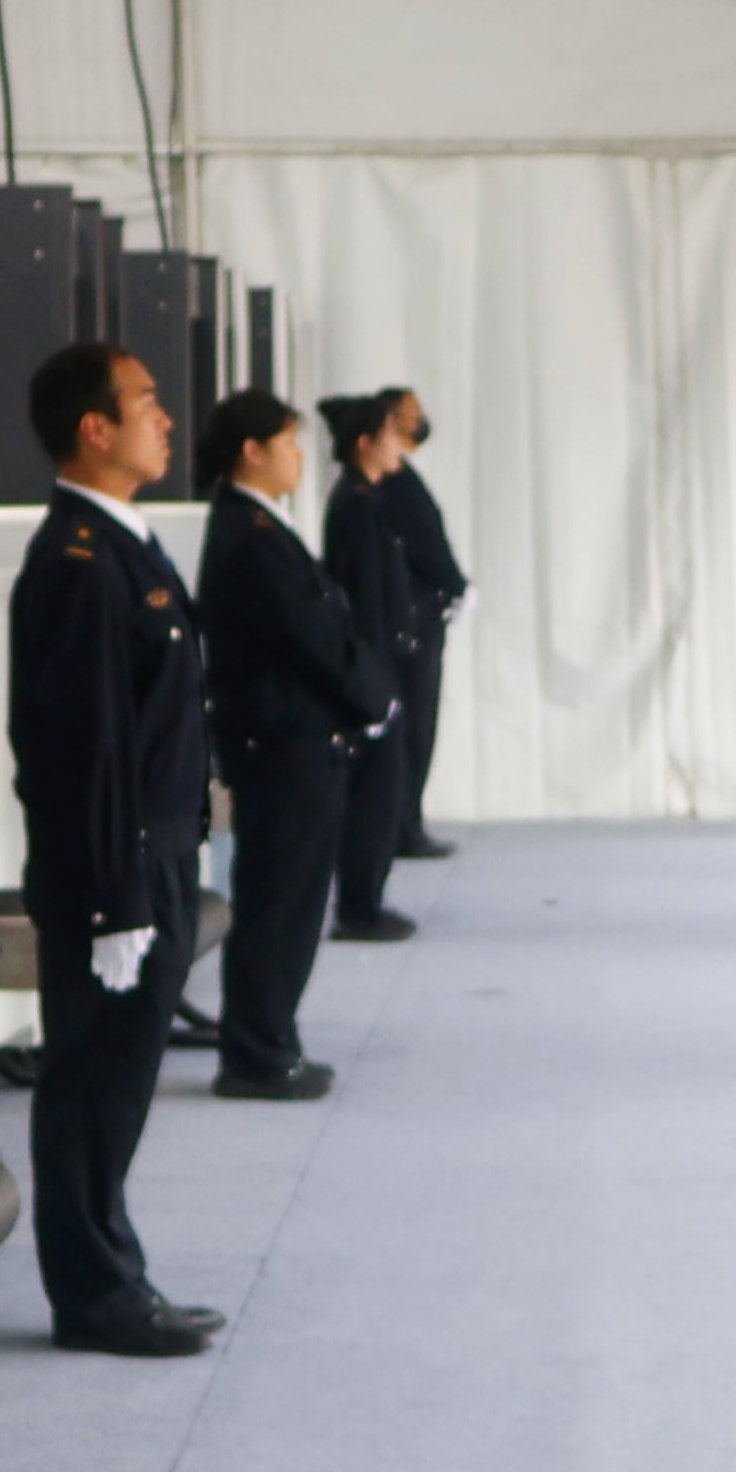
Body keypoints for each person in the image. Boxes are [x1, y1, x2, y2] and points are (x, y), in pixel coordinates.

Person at [9, 341, 228, 1359]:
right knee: (94, 1085)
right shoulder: (79, 562)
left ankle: (114, 1272)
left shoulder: (123, 545)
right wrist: (111, 899)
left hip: (154, 859)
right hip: (118, 873)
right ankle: (94, 1293)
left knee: (119, 1083)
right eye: (146, 401)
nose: (166, 418)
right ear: (94, 429)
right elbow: (81, 750)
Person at [197, 391, 388, 1099]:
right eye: (287, 443)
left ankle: (271, 1038)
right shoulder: (249, 535)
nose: (299, 457)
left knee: (293, 898)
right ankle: (257, 1051)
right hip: (282, 745)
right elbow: (312, 636)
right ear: (252, 451)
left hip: (294, 740)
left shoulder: (258, 525)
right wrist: (376, 699)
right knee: (280, 900)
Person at [318, 390, 427, 942]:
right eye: (389, 436)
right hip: (371, 666)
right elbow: (362, 598)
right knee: (372, 793)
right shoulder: (355, 506)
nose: (398, 446)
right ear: (364, 444)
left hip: (380, 661)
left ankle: (368, 897)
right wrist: (374, 675)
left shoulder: (367, 499)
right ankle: (359, 905)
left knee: (384, 788)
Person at [365, 392, 469, 859]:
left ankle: (405, 821)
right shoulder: (387, 488)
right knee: (411, 728)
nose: (421, 420)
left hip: (416, 618)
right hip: (408, 625)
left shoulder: (397, 480)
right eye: (412, 415)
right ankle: (401, 825)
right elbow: (423, 543)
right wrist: (454, 585)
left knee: (417, 729)